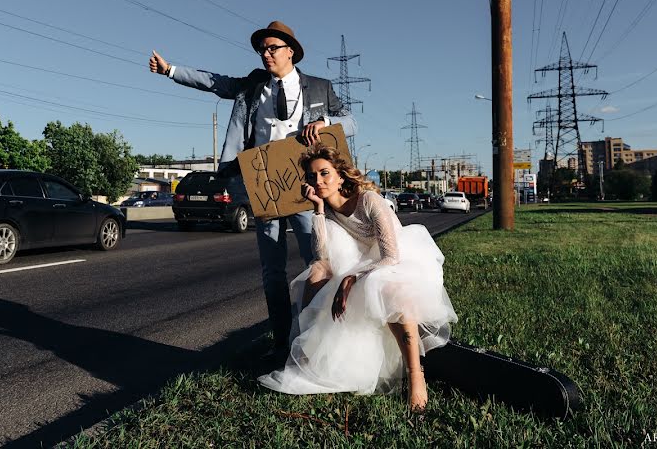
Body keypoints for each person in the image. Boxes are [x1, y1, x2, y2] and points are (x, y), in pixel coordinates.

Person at [149, 21, 357, 362]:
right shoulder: (252, 85)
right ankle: (281, 342)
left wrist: (325, 125)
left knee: (317, 261)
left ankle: (319, 338)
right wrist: (171, 70)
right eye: (262, 49)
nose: (266, 54)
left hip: (304, 186)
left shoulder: (319, 88)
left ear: (291, 51)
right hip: (265, 186)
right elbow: (214, 82)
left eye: (273, 48)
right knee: (272, 270)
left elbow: (351, 121)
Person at [258, 145, 458, 410]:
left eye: (324, 174)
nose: (317, 181)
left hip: (397, 258)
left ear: (341, 177)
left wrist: (351, 279)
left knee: (384, 285)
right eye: (311, 176)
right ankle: (309, 359)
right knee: (316, 273)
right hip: (358, 262)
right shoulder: (328, 211)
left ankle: (416, 376)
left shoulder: (369, 201)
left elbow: (390, 256)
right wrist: (318, 208)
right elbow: (321, 254)